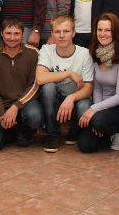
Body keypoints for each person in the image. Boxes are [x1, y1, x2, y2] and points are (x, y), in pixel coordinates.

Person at [0, 17, 43, 152]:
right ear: (2, 34)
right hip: (3, 106)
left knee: (35, 116)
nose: (12, 38)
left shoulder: (34, 53)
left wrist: (16, 106)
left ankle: (26, 129)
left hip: (27, 103)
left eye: (16, 34)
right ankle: (14, 130)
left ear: (23, 34)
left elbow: (34, 85)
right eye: (8, 33)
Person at [36, 13, 93, 153]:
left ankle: (74, 130)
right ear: (52, 34)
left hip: (75, 99)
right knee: (48, 88)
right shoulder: (47, 49)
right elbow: (40, 78)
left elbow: (88, 89)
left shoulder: (85, 54)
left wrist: (71, 98)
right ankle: (52, 133)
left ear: (74, 33)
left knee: (85, 105)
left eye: (66, 31)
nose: (62, 36)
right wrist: (69, 73)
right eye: (57, 32)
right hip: (54, 99)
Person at [77, 13, 119, 153]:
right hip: (101, 109)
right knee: (85, 146)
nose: (103, 34)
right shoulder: (96, 55)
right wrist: (97, 111)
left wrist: (94, 111)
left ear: (115, 32)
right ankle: (107, 133)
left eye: (108, 30)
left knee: (98, 121)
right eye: (100, 30)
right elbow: (97, 89)